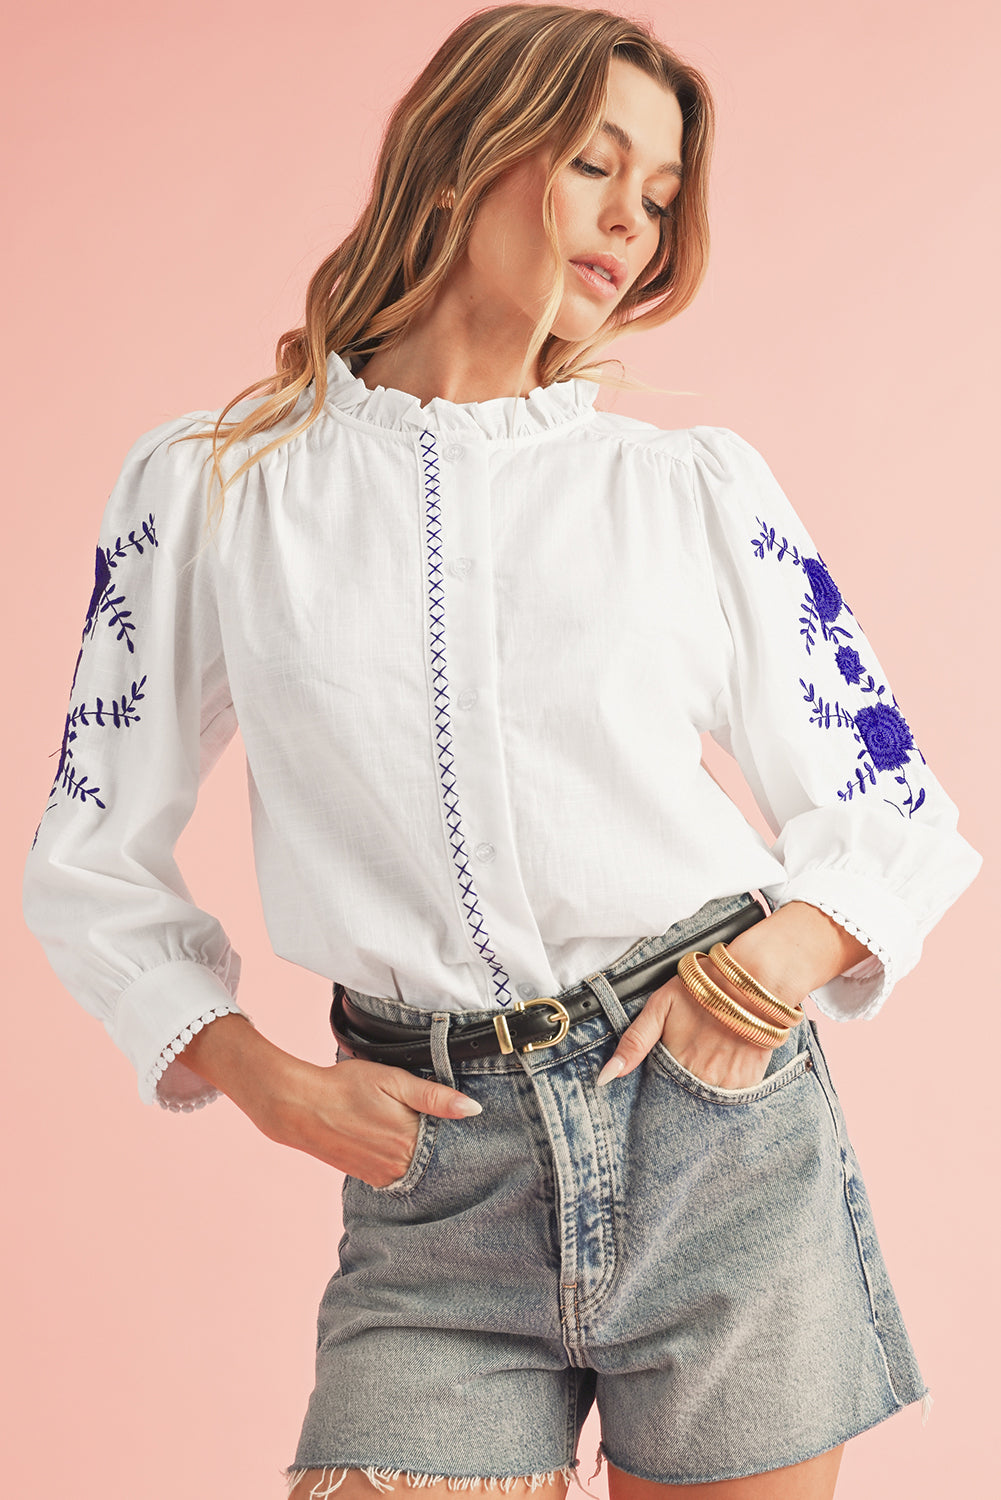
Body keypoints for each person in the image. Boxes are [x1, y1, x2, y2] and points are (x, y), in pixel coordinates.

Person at [23, 5, 981, 1498]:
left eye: (657, 196)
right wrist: (262, 1078)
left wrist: (784, 960)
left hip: (713, 1140)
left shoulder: (680, 491)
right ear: (466, 148)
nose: (626, 221)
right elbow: (87, 856)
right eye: (594, 164)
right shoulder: (213, 492)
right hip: (432, 1187)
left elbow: (890, 808)